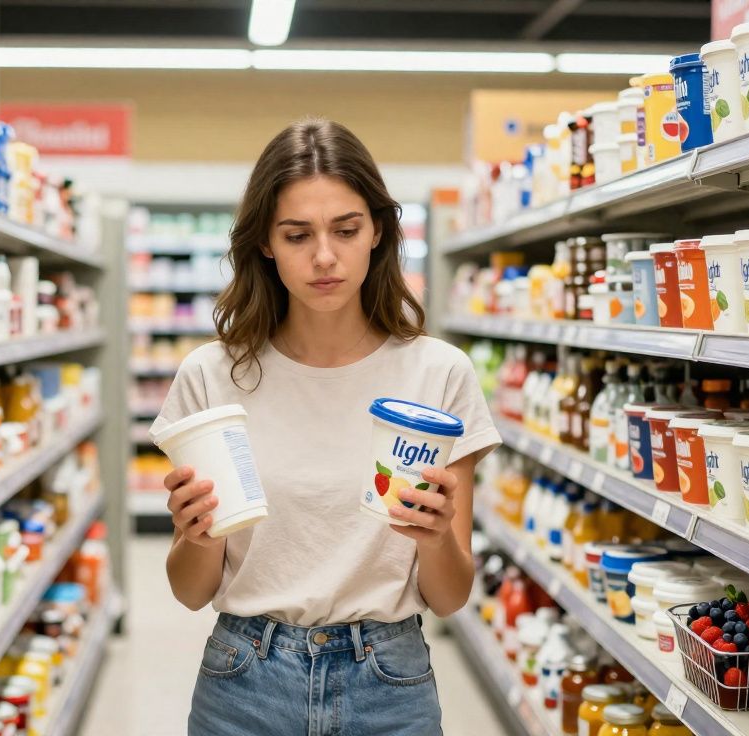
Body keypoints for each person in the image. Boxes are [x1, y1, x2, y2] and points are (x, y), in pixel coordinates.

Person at [153, 118, 502, 736]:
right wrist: (198, 538)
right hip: (243, 684)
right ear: (265, 243)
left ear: (377, 232)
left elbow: (450, 597)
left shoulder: (438, 374)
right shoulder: (212, 376)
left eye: (346, 230)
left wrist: (434, 537)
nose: (323, 256)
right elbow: (190, 591)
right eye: (297, 235)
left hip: (389, 687)